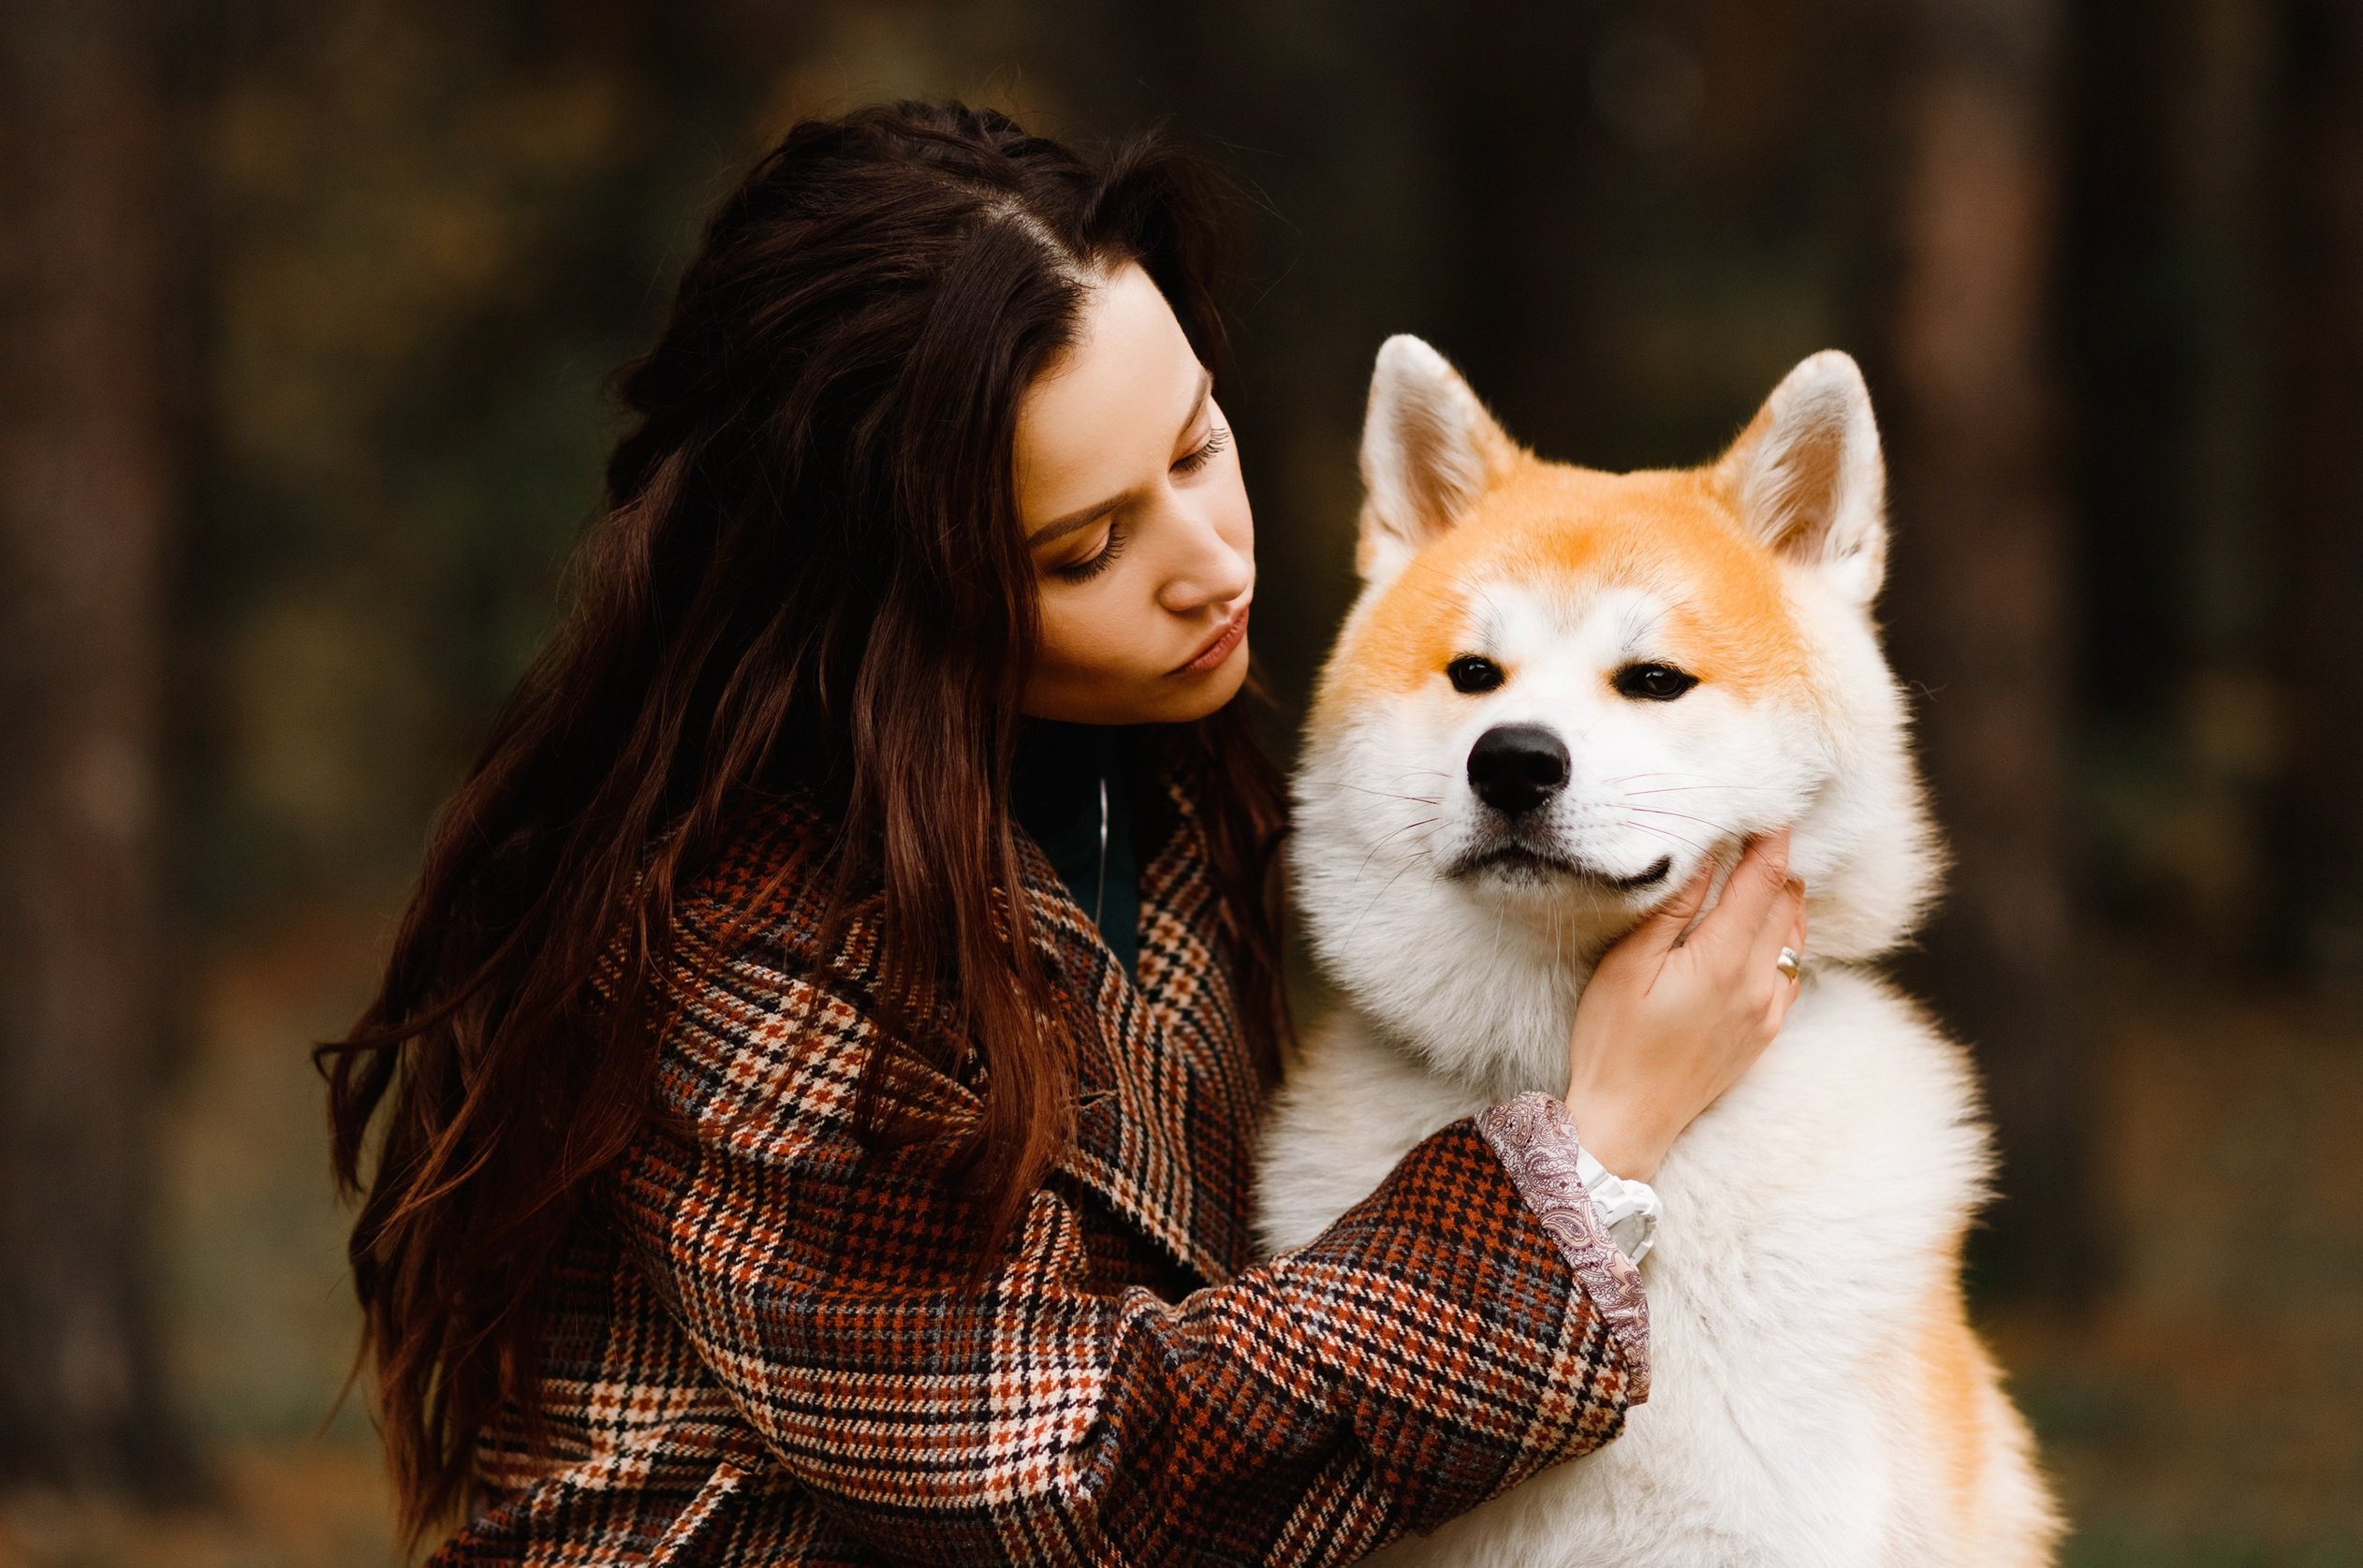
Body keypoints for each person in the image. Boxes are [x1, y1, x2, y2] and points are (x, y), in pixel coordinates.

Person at [319, 100, 1807, 1566]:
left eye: (1196, 440)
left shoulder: (1132, 780)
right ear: (899, 608)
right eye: (1090, 545)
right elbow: (1076, 1491)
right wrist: (1591, 1153)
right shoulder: (740, 955)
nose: (1210, 558)